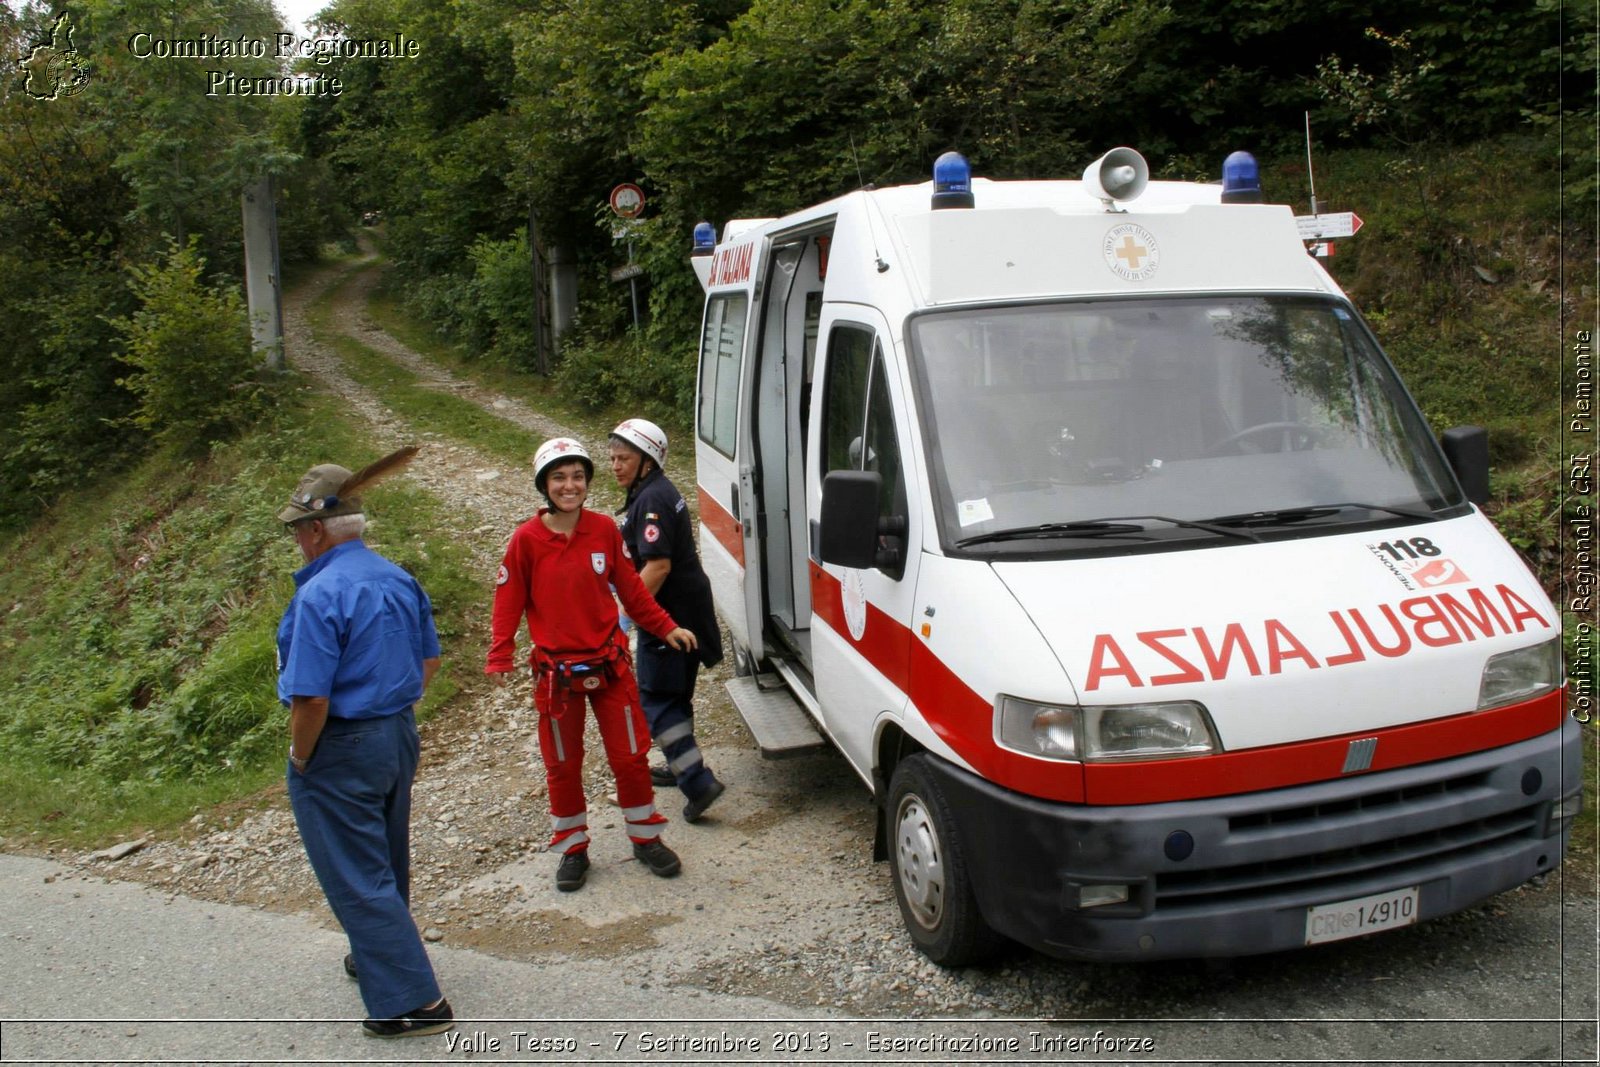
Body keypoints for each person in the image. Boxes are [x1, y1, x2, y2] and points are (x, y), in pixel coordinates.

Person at [275, 447, 453, 1040]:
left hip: (341, 742)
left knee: (355, 871)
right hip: (397, 734)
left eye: (299, 530)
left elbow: (311, 699)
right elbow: (429, 662)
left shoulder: (319, 595)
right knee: (383, 853)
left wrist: (302, 758)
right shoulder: (398, 577)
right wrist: (389, 705)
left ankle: (415, 1003)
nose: (298, 541)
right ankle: (377, 952)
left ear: (319, 529)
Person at [486, 437, 699, 892]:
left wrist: (665, 628)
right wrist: (499, 653)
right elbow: (508, 600)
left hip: (609, 667)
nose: (570, 485)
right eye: (560, 477)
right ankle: (573, 848)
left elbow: (633, 590)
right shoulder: (526, 541)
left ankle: (645, 839)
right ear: (544, 484)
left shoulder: (604, 529)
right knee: (562, 764)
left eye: (578, 476)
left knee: (630, 757)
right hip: (556, 677)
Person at [608, 419, 727, 823]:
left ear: (647, 460)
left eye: (623, 458)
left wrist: (624, 615)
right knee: (674, 696)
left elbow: (657, 566)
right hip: (685, 610)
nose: (615, 465)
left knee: (656, 700)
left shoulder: (652, 500)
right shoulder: (654, 491)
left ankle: (697, 781)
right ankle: (681, 766)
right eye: (612, 458)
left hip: (670, 617)